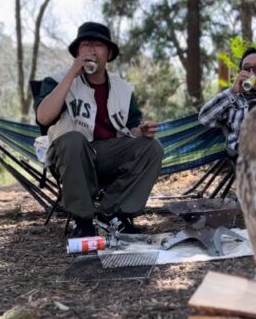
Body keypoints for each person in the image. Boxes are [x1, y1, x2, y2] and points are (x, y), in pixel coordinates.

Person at [34, 22, 163, 237]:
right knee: (73, 140)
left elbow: (130, 129)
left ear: (109, 53)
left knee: (152, 148)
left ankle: (114, 213)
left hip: (107, 155)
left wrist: (141, 131)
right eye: (85, 45)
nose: (91, 51)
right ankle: (83, 221)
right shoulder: (57, 81)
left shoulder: (123, 88)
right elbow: (43, 117)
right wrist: (71, 75)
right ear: (77, 52)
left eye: (98, 45)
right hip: (70, 156)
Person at [198, 47, 256, 153]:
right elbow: (204, 118)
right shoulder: (230, 101)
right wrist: (233, 92)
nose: (251, 74)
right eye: (246, 68)